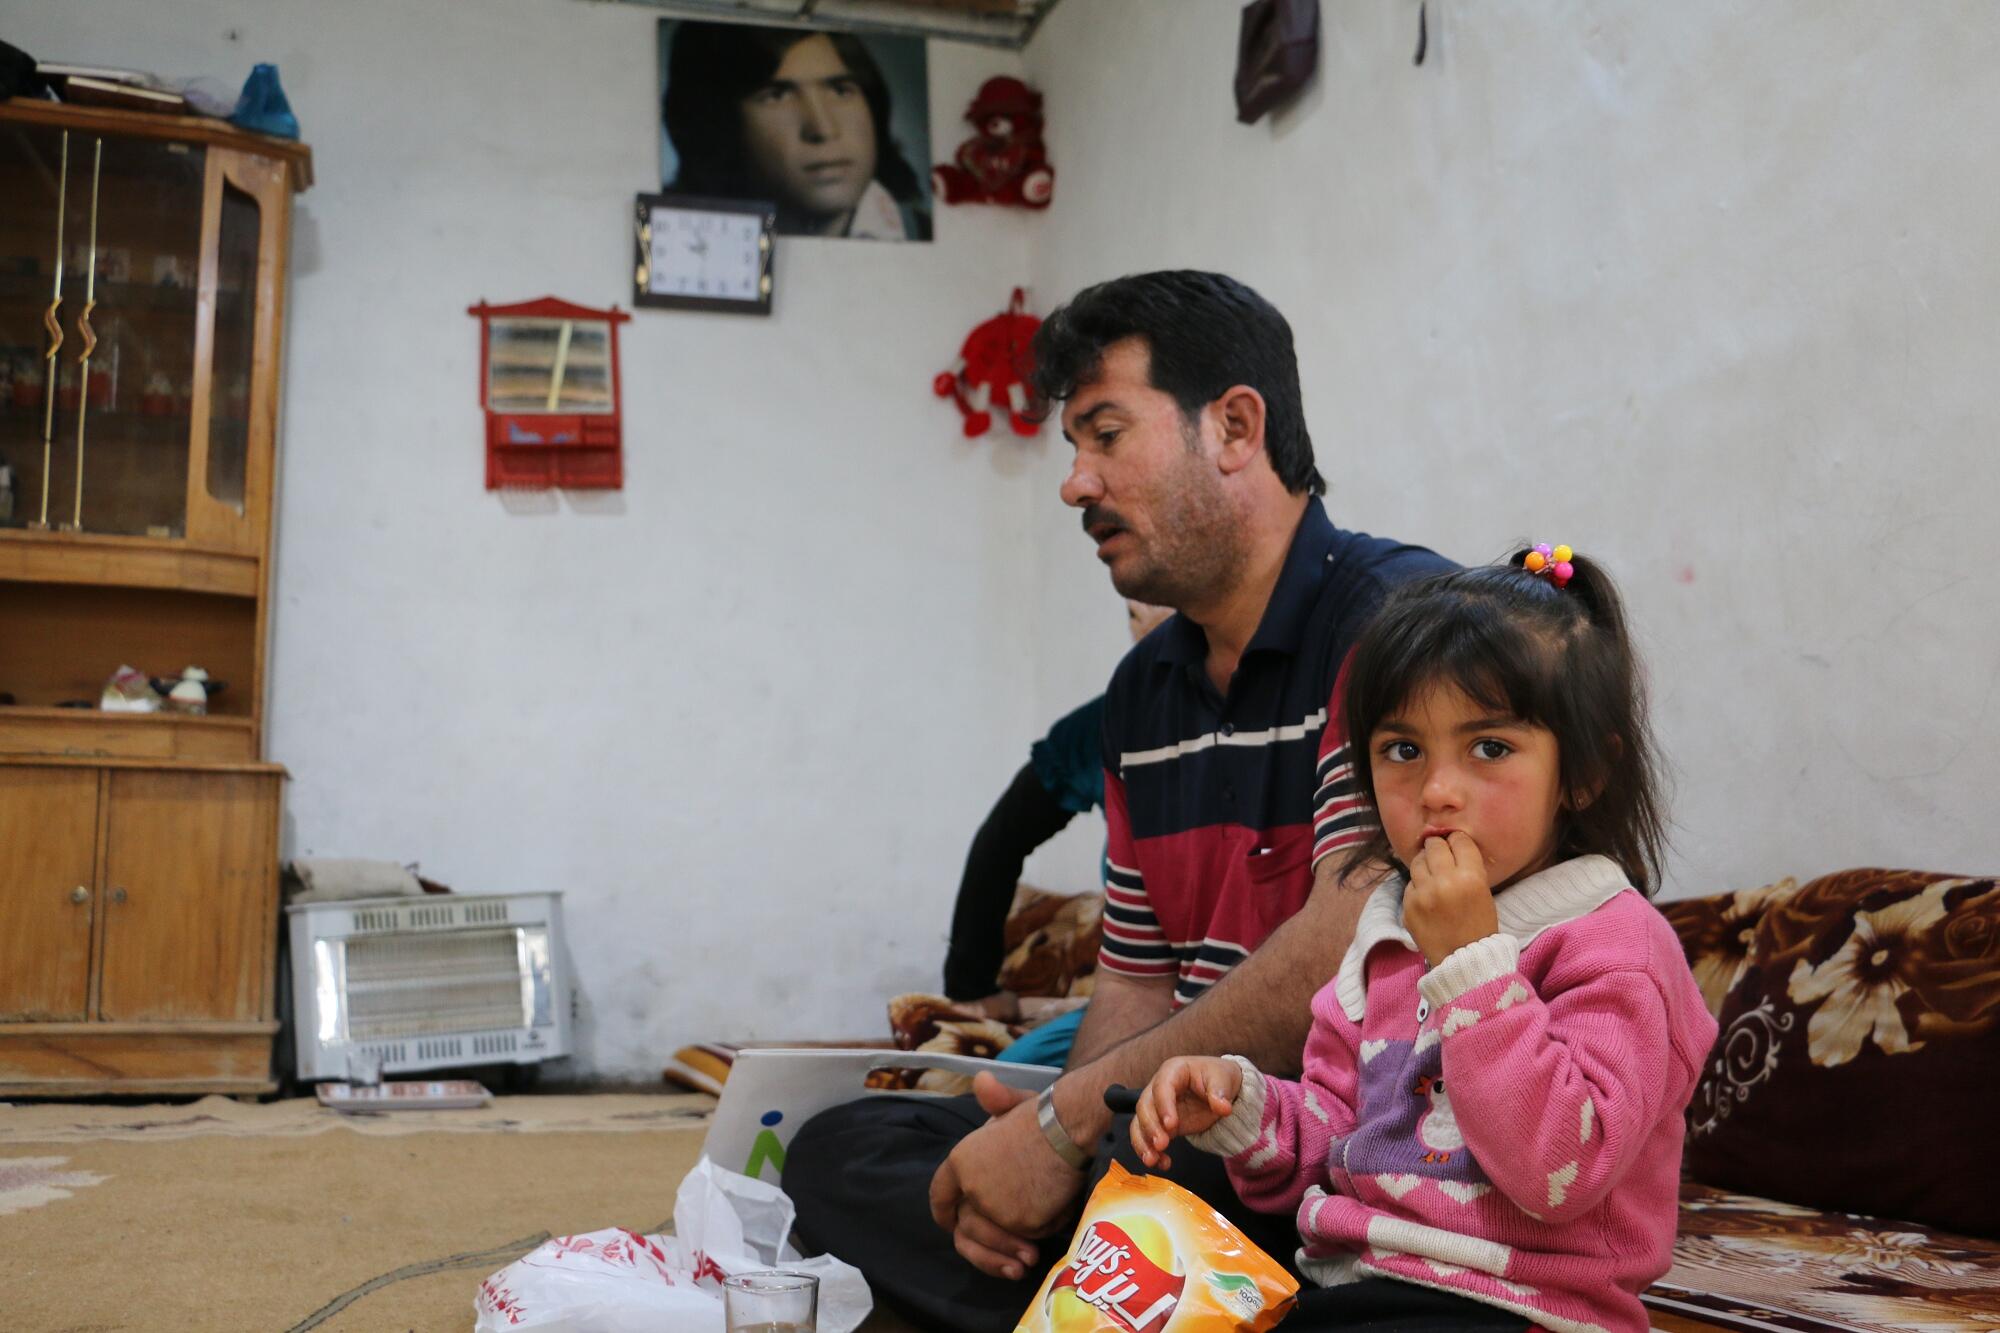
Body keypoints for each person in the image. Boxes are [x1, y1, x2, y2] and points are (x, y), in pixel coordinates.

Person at [785, 270, 1452, 1332]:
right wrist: (1051, 1131)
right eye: (1071, 447)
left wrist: (1059, 1127)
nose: (1073, 484)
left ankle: (1098, 1292)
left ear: (1233, 427)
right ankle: (1120, 1296)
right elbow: (1136, 983)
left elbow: (1347, 944)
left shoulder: (1395, 628)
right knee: (843, 1147)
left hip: (1336, 1132)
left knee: (1232, 1188)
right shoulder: (1143, 694)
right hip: (1170, 1131)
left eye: (1104, 434)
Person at [1132, 549, 1718, 1333]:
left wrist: (1470, 964)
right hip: (1355, 1285)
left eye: (1490, 748)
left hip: (1520, 1310)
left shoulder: (1617, 944)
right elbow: (1335, 1140)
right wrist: (1240, 1106)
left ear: (1582, 774)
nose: (1437, 791)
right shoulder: (1386, 935)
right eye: (1403, 750)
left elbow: (1558, 1173)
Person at [943, 600, 1172, 1046]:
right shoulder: (1109, 723)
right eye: (1134, 612)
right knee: (1007, 1077)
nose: (1150, 625)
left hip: (1242, 989)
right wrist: (971, 986)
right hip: (1141, 993)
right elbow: (1001, 840)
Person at [661, 23, 932, 241]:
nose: (823, 129)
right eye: (776, 95)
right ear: (716, 123)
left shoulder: (925, 235)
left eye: (840, 90)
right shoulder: (674, 237)